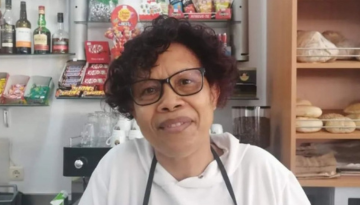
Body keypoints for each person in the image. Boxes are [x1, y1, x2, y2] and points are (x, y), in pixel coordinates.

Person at [78, 16, 311, 205]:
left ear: (213, 93)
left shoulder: (261, 173)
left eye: (186, 82)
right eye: (149, 90)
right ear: (133, 108)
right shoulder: (117, 169)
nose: (170, 102)